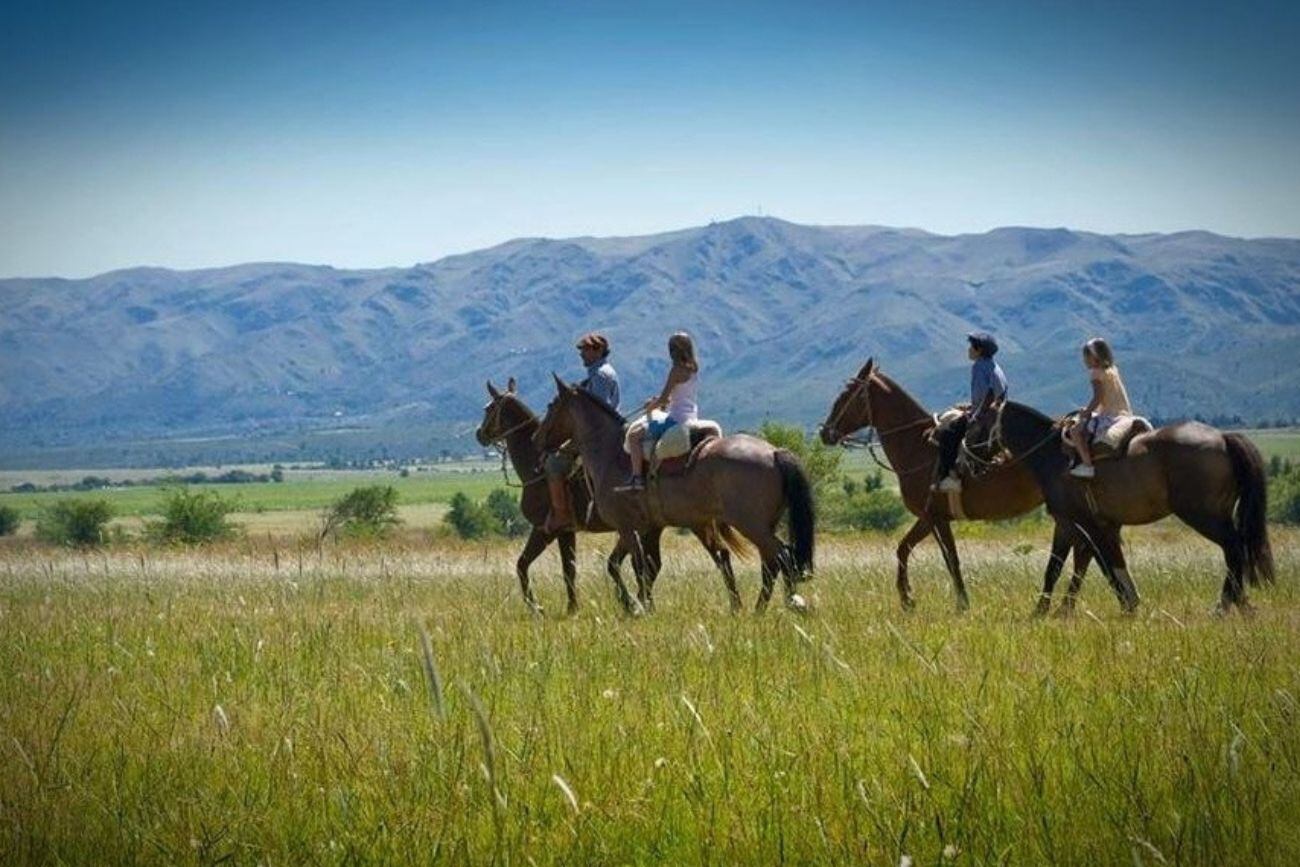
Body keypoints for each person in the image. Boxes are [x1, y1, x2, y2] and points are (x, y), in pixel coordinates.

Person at [542, 332, 620, 532]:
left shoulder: (601, 375)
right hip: (600, 434)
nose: (581, 354)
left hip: (598, 438)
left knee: (553, 463)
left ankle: (561, 515)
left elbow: (596, 412)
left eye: (585, 350)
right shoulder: (597, 373)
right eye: (581, 350)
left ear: (599, 350)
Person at [616, 332, 699, 492]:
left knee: (634, 435)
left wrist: (650, 406)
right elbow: (675, 396)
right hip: (691, 416)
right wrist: (661, 401)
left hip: (675, 420)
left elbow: (663, 399)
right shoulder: (694, 368)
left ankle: (637, 477)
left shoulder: (676, 369)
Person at [932, 331, 1007, 493]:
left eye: (971, 347)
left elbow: (984, 396)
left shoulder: (979, 367)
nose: (968, 350)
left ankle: (949, 478)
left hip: (985, 416)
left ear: (978, 350)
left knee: (947, 435)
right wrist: (969, 407)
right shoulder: (994, 366)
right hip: (996, 413)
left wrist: (972, 414)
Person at [1068, 337, 1132, 478]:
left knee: (1074, 431)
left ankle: (1087, 465)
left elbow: (1098, 397)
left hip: (1110, 416)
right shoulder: (1112, 370)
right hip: (1124, 413)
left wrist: (1087, 412)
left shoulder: (1096, 374)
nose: (1085, 361)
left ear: (1094, 358)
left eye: (1086, 357)